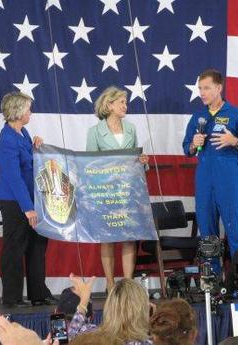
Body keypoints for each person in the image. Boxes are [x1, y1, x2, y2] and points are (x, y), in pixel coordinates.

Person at [182, 69, 238, 272]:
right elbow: (186, 149)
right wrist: (193, 144)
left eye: (206, 88)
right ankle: (212, 284)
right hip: (205, 180)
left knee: (235, 231)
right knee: (207, 233)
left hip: (228, 179)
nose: (202, 93)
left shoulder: (237, 114)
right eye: (200, 88)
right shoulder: (198, 117)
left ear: (218, 88)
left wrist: (234, 141)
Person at [0, 91, 54, 308]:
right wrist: (28, 208)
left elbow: (27, 162)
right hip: (14, 201)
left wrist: (34, 144)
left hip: (30, 198)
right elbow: (13, 177)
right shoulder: (7, 139)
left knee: (37, 245)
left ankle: (38, 293)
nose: (30, 112)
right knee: (14, 248)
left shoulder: (23, 133)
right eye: (28, 109)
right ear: (18, 112)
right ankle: (12, 298)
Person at [86, 86, 149, 291]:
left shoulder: (130, 129)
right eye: (121, 102)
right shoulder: (95, 132)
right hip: (106, 192)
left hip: (129, 191)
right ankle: (111, 284)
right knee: (109, 237)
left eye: (125, 102)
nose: (125, 106)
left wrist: (142, 161)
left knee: (129, 237)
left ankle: (128, 283)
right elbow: (89, 165)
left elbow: (136, 161)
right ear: (109, 104)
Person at [67, 273, 151, 345]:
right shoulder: (144, 343)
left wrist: (84, 300)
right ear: (142, 310)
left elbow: (73, 333)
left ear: (109, 306)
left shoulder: (89, 334)